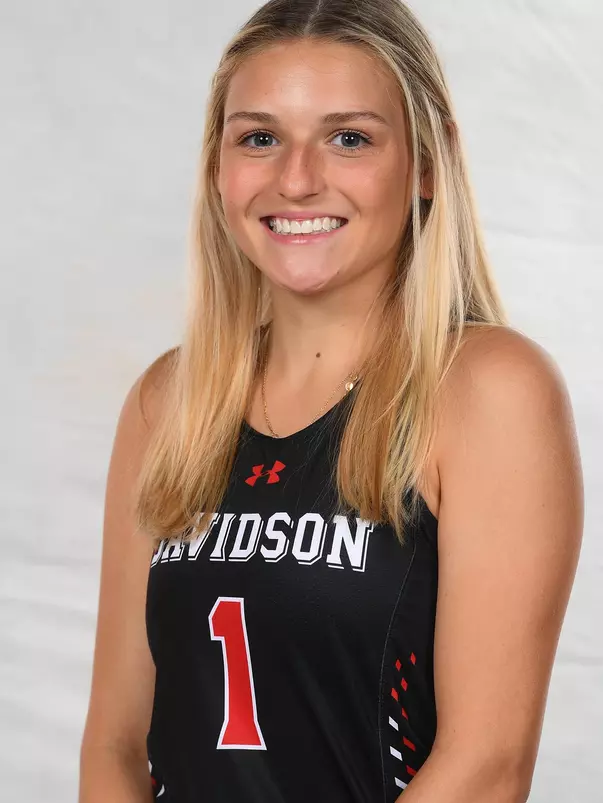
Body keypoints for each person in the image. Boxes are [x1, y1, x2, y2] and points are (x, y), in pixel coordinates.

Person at [78, 1, 584, 801]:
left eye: (348, 137)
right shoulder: (168, 400)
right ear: (219, 166)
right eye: (259, 137)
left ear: (426, 162)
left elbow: (486, 764)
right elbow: (112, 741)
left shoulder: (488, 390)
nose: (297, 178)